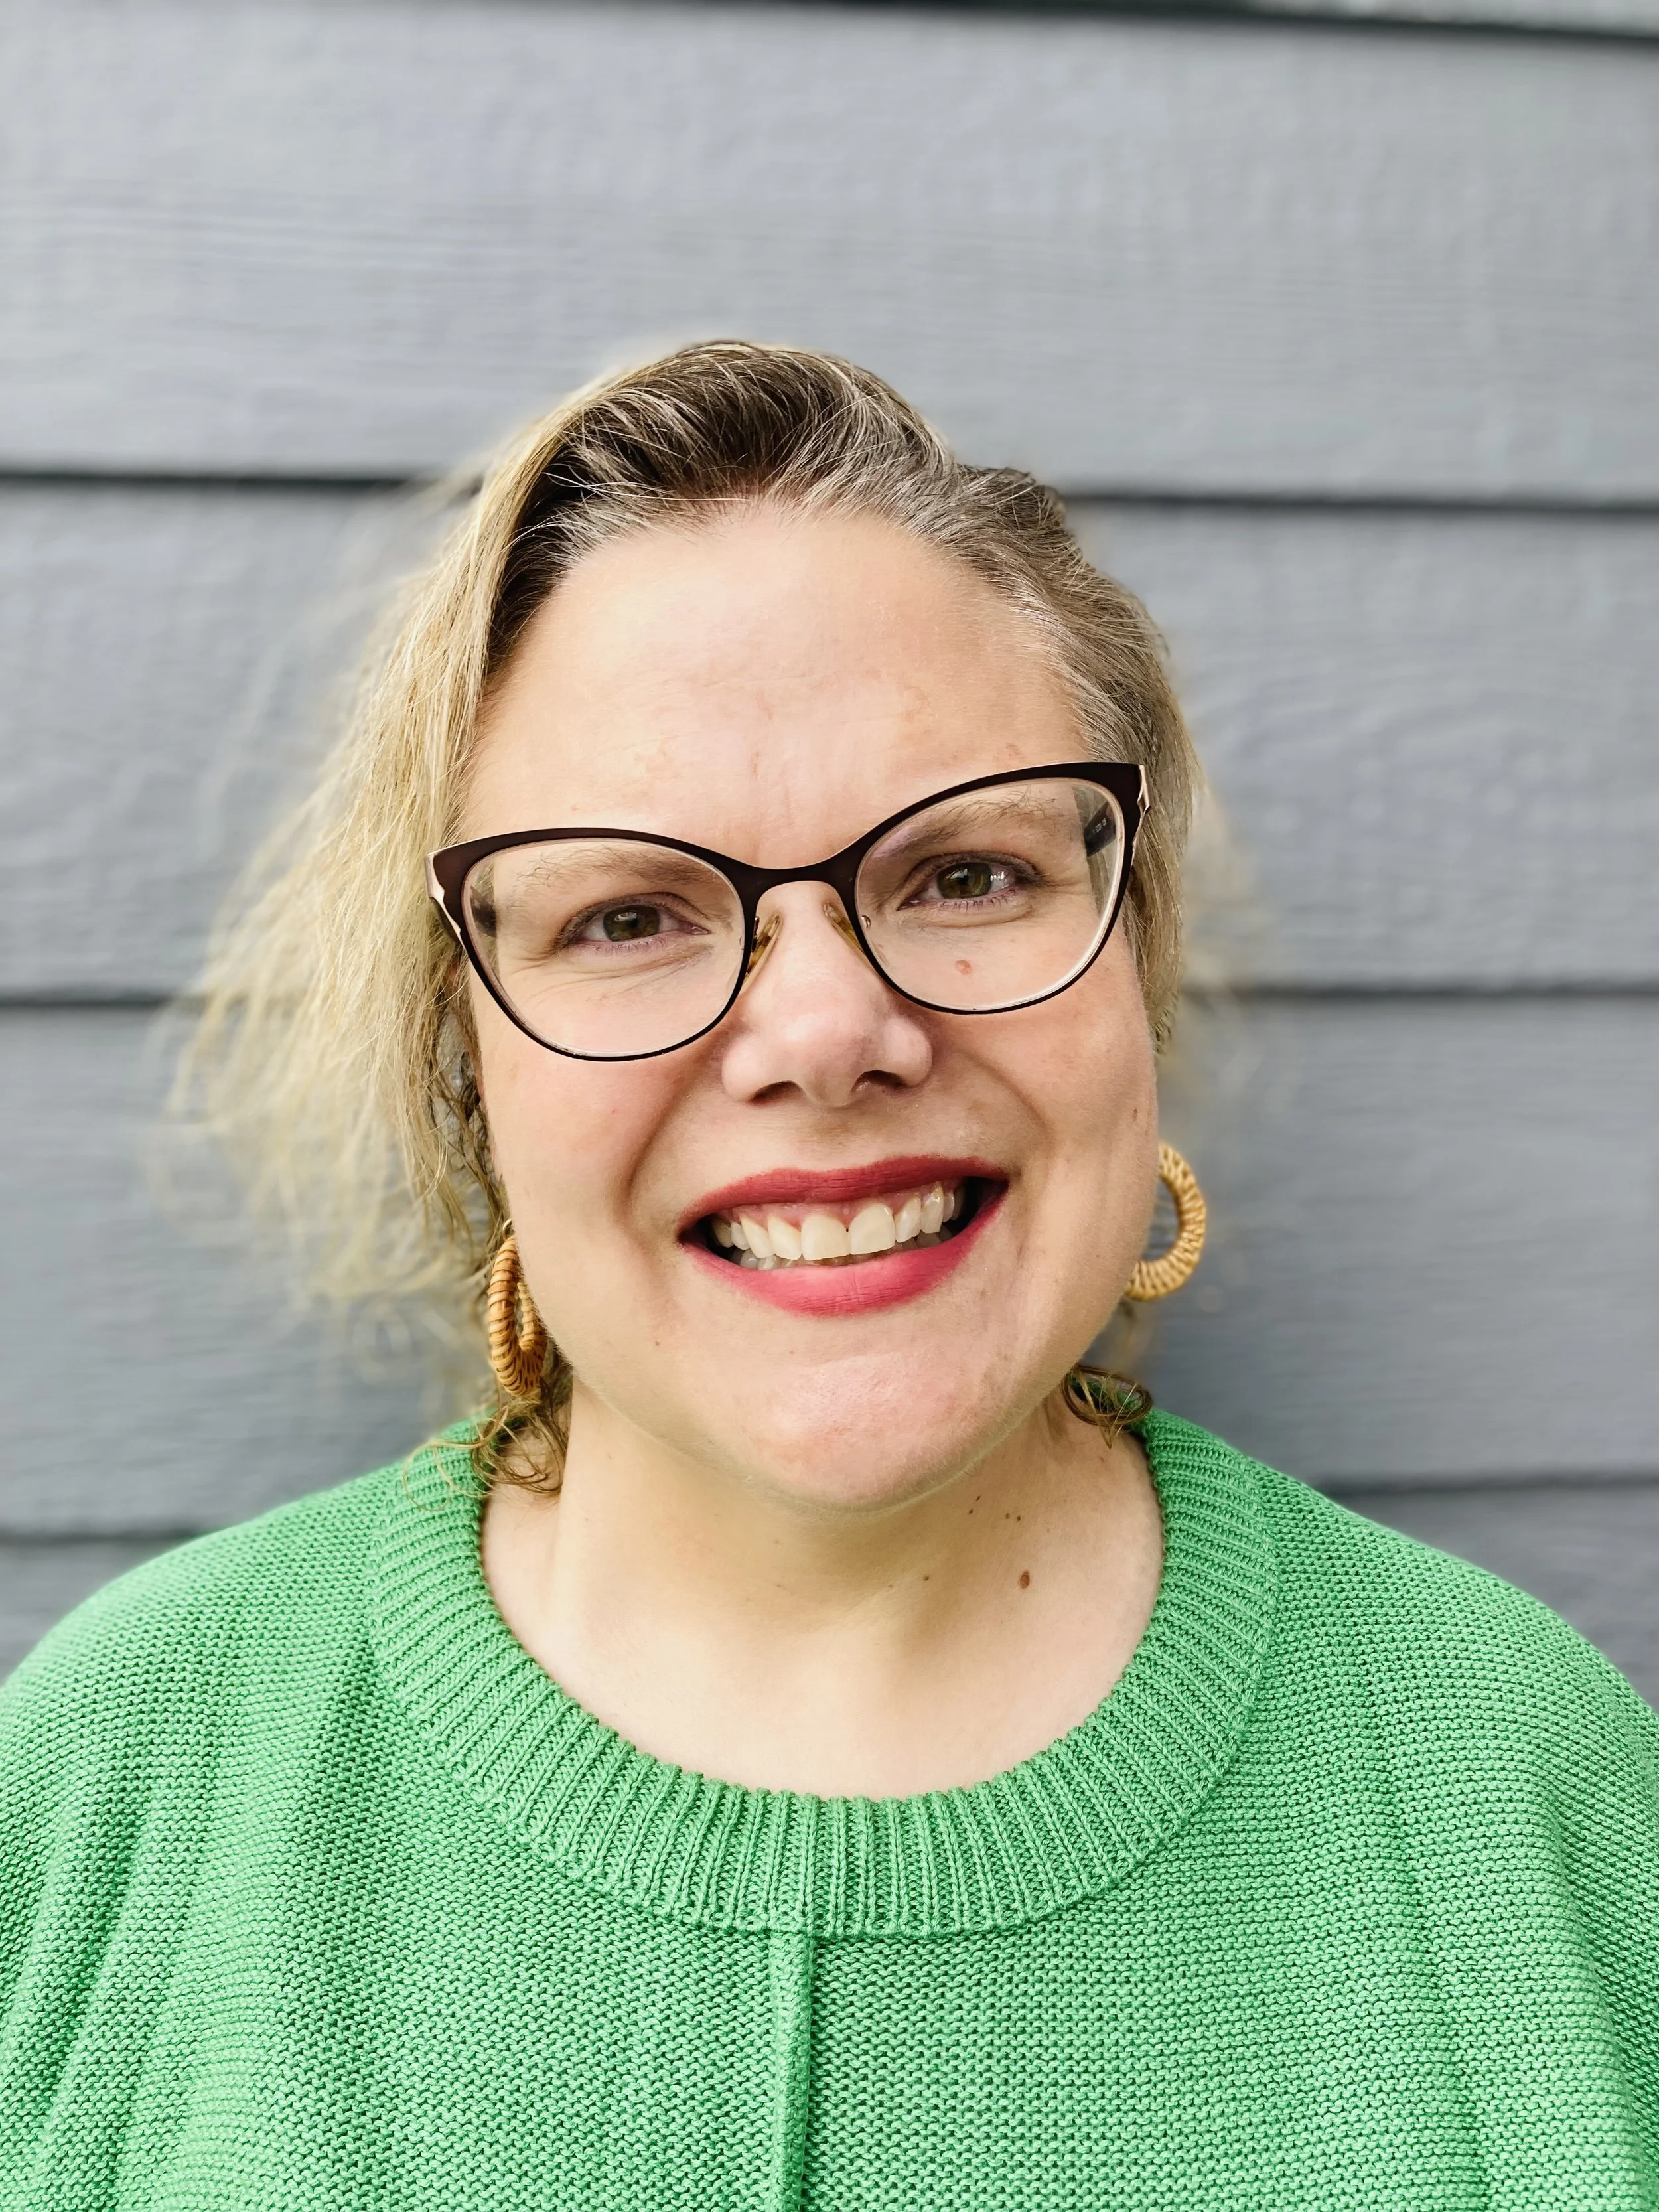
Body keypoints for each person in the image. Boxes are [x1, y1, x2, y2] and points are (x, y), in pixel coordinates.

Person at [1, 342, 1654, 2210]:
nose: (822, 1029)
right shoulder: (117, 1781)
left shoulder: (1530, 1795)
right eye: (624, 912)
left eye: (963, 872)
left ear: (1133, 951)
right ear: (468, 1057)